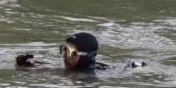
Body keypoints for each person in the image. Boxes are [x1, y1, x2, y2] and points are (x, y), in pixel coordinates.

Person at [15, 31, 145, 73]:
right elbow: (50, 67)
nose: (64, 57)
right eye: (64, 50)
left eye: (70, 52)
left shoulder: (91, 77)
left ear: (85, 57)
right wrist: (27, 62)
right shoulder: (72, 69)